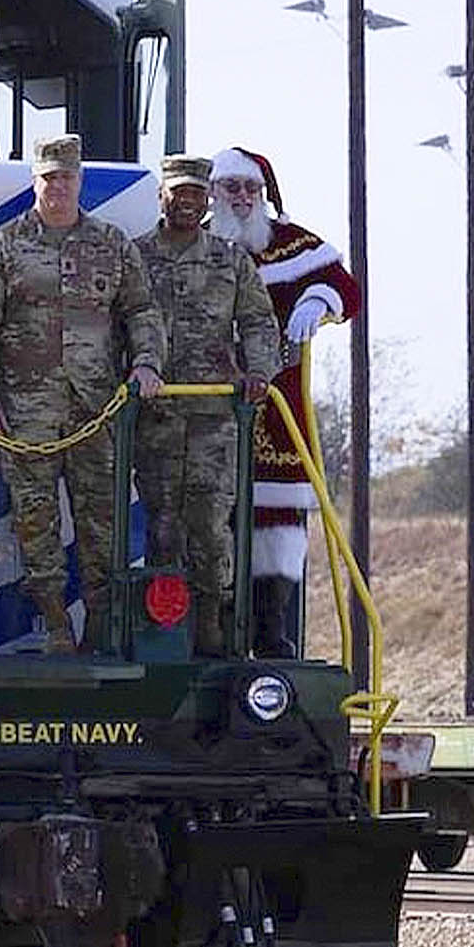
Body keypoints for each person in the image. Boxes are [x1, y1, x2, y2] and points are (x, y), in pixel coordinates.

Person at [0, 134, 166, 653]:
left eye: (67, 178)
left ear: (80, 181)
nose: (58, 187)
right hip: (26, 415)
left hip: (97, 410)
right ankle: (54, 623)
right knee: (35, 521)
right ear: (36, 181)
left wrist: (146, 363)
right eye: (49, 178)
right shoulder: (3, 247)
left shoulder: (112, 244)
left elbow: (142, 311)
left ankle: (101, 627)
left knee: (104, 523)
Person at [208, 146, 362, 659]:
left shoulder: (291, 246)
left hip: (277, 405)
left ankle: (270, 628)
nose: (243, 199)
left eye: (252, 189)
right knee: (210, 520)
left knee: (276, 522)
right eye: (233, 188)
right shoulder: (196, 242)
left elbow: (347, 287)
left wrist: (319, 301)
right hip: (205, 405)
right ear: (215, 191)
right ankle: (218, 632)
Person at [132, 155, 281, 656]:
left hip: (215, 418)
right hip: (155, 419)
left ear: (207, 202)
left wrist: (258, 372)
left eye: (197, 196)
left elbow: (260, 323)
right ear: (163, 198)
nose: (187, 203)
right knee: (163, 526)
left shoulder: (229, 260)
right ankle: (164, 632)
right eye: (178, 194)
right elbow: (119, 323)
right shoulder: (135, 257)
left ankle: (213, 622)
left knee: (211, 526)